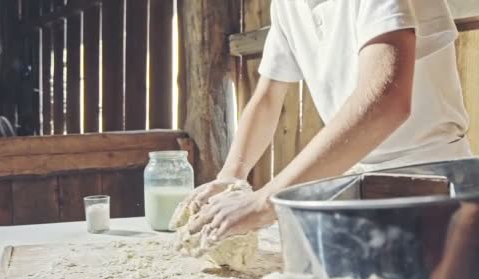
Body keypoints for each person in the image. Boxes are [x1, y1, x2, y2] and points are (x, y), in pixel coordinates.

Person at [183, 0, 474, 243]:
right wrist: (231, 176)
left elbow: (386, 104)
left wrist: (265, 201)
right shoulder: (288, 5)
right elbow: (267, 100)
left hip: (435, 188)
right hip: (355, 187)